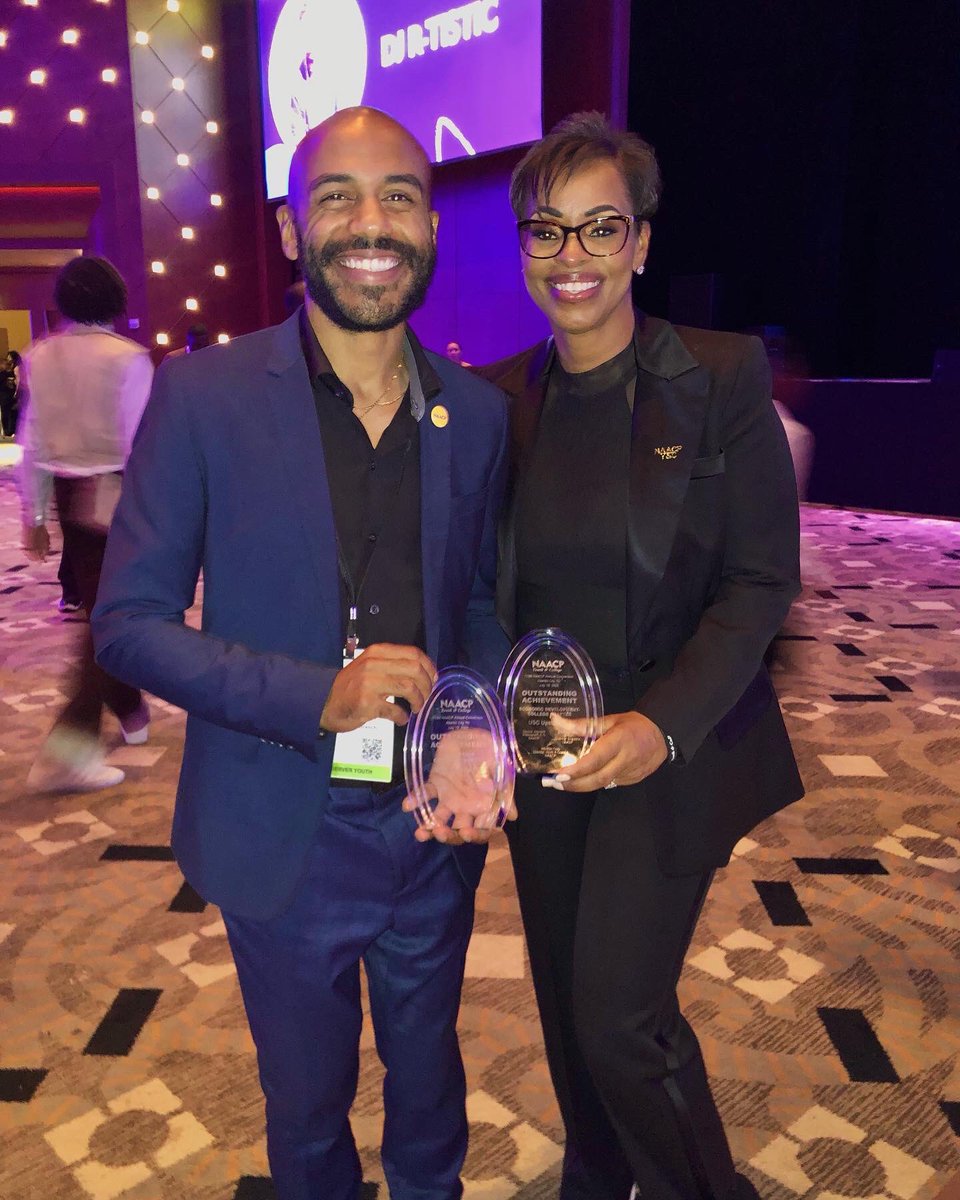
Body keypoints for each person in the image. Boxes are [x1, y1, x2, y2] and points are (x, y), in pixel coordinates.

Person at [91, 107, 509, 1200]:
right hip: (281, 833)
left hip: (428, 830)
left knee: (431, 1093)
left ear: (428, 225)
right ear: (290, 228)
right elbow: (126, 624)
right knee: (307, 1110)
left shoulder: (475, 411)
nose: (371, 224)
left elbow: (475, 598)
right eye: (338, 197)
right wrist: (316, 695)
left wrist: (473, 726)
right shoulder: (204, 399)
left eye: (401, 196)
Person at [473, 113, 805, 1200]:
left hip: (672, 744)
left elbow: (761, 584)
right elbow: (480, 586)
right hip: (549, 752)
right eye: (547, 232)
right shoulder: (499, 401)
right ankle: (598, 1167)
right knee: (567, 998)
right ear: (523, 248)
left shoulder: (717, 379)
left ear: (642, 244)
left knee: (619, 1008)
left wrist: (657, 727)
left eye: (599, 229)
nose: (572, 258)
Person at [19, 257, 153, 793]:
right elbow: (141, 442)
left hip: (70, 498)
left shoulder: (42, 355)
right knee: (110, 620)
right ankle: (68, 749)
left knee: (103, 613)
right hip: (118, 495)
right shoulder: (127, 359)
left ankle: (129, 708)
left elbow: (34, 441)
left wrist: (33, 514)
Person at [1, 349, 21, 438]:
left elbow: (19, 383)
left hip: (13, 397)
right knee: (6, 415)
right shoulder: (3, 374)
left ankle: (12, 431)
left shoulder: (16, 370)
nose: (8, 361)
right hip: (5, 398)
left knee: (13, 415)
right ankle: (7, 432)